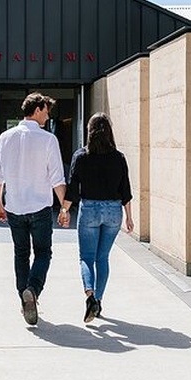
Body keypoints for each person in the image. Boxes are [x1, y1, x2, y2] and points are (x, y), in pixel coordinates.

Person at [0, 92, 67, 326]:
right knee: (43, 252)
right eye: (46, 110)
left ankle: (24, 299)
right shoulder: (48, 139)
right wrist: (64, 207)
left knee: (21, 254)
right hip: (40, 208)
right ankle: (32, 290)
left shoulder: (5, 137)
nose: (48, 114)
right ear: (37, 108)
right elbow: (57, 177)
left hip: (15, 207)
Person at [58, 112, 133, 323]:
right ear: (109, 132)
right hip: (113, 211)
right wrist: (129, 218)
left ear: (89, 131)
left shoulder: (81, 156)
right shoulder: (119, 157)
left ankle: (90, 296)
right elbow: (125, 190)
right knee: (103, 258)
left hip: (89, 209)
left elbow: (72, 189)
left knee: (86, 258)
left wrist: (64, 211)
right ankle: (98, 301)